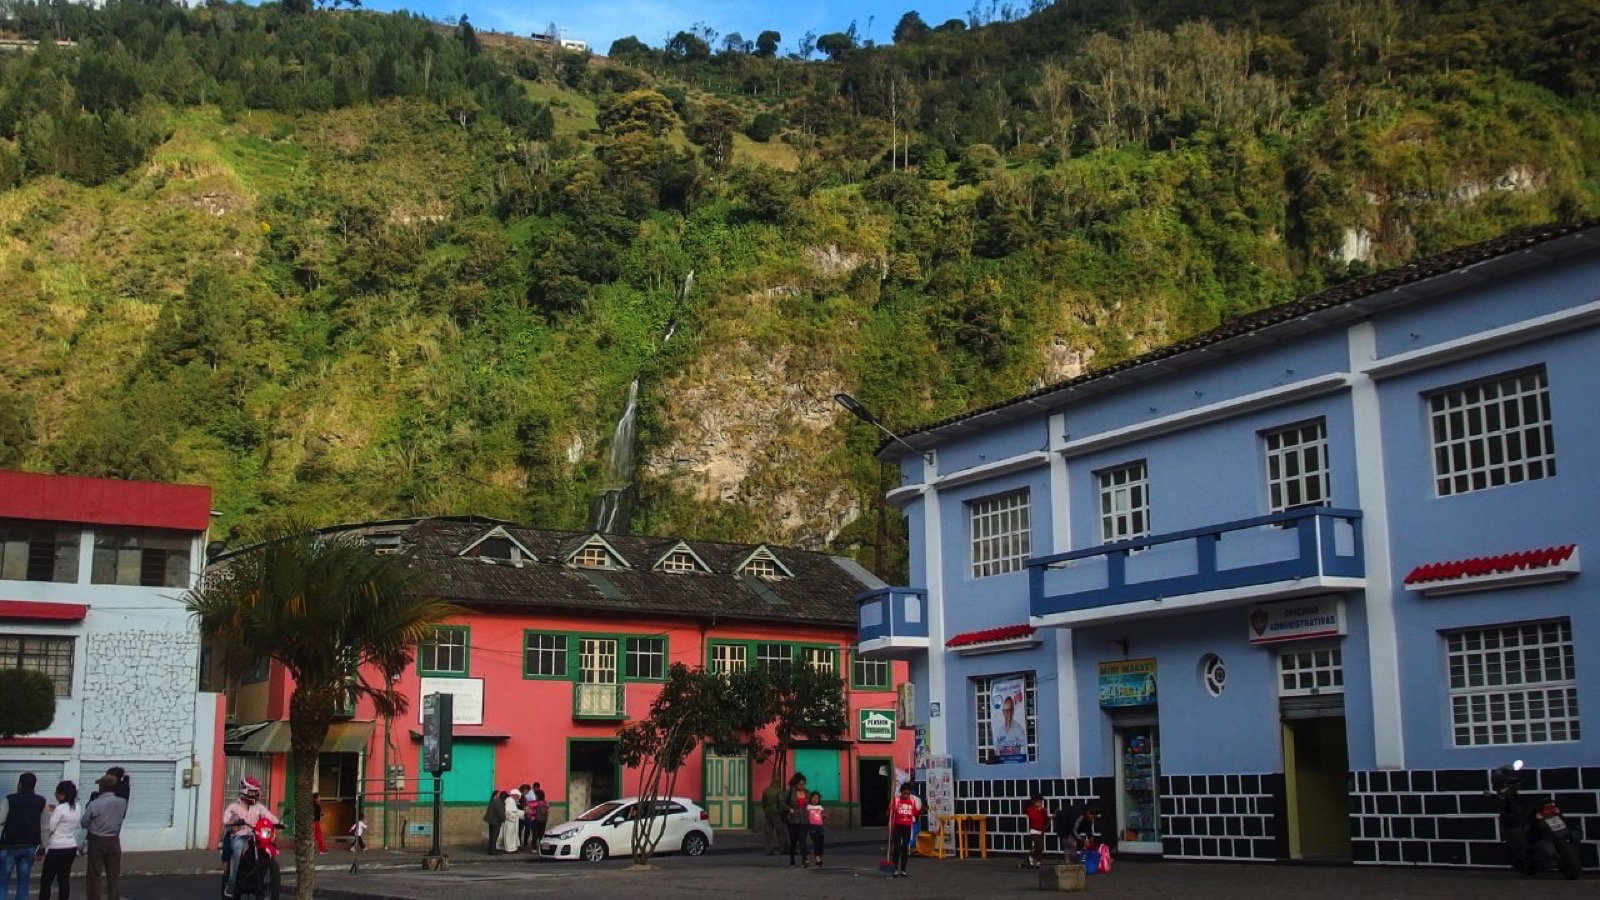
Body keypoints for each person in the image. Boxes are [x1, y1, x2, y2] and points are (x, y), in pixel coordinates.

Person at [220, 777, 279, 899]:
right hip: (240, 836)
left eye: (256, 791)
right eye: (252, 791)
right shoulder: (234, 806)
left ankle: (264, 876)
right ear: (244, 790)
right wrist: (232, 821)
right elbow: (225, 820)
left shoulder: (258, 807)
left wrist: (279, 822)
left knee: (270, 844)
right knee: (237, 848)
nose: (255, 794)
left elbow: (269, 816)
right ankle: (231, 883)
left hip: (256, 835)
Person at [0, 773, 46, 900]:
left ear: (19, 784)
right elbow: (45, 826)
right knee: (23, 883)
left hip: (9, 846)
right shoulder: (41, 801)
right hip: (30, 846)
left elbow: (0, 818)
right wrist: (42, 847)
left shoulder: (9, 799)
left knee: (3, 882)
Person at [81, 775, 127, 900]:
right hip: (114, 839)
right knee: (113, 876)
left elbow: (84, 822)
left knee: (94, 876)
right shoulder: (122, 802)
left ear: (102, 787)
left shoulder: (95, 804)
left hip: (97, 839)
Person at [39, 781, 80, 900]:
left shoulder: (60, 809)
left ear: (62, 794)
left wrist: (48, 812)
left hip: (56, 847)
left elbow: (49, 828)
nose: (55, 795)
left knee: (46, 880)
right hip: (71, 846)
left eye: (56, 792)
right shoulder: (77, 806)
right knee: (63, 879)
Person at [887, 783, 920, 879]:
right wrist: (889, 809)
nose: (906, 796)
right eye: (904, 793)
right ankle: (895, 869)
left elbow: (914, 812)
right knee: (897, 847)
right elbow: (890, 812)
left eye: (908, 794)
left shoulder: (912, 801)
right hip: (897, 826)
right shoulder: (896, 800)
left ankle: (903, 869)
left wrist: (921, 810)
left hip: (907, 827)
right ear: (901, 792)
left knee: (905, 848)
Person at [780, 774, 808, 867]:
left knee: (803, 840)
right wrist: (788, 809)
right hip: (793, 820)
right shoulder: (791, 792)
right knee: (793, 841)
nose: (802, 786)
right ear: (796, 784)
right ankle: (792, 860)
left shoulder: (807, 793)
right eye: (800, 784)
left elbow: (813, 802)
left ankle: (805, 860)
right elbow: (781, 801)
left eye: (803, 784)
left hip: (804, 820)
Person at [993, 695, 1028, 761]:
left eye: (1009, 710)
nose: (1006, 714)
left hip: (1016, 763)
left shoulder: (1018, 728)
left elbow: (1025, 746)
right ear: (1002, 712)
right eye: (1004, 711)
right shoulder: (1000, 730)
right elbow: (996, 748)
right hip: (1002, 763)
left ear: (1012, 711)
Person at [759, 775, 784, 856]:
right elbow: (780, 803)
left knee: (768, 832)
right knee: (780, 831)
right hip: (776, 812)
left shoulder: (766, 790)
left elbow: (762, 803)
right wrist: (782, 813)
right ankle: (782, 849)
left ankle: (768, 849)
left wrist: (766, 810)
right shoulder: (779, 791)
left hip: (768, 812)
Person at [1021, 793, 1048, 869]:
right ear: (1034, 802)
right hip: (1034, 830)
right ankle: (1032, 858)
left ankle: (1037, 861)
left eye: (1040, 802)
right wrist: (1040, 811)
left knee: (1040, 847)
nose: (1039, 803)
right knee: (1038, 845)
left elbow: (1045, 820)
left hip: (1041, 830)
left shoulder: (1042, 810)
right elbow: (1033, 818)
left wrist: (1045, 813)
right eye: (1038, 802)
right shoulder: (1030, 809)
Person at [805, 791, 826, 869]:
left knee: (821, 843)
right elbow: (805, 815)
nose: (815, 800)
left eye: (817, 798)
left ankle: (819, 858)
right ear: (810, 799)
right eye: (813, 798)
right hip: (812, 827)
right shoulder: (808, 807)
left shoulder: (820, 807)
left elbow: (823, 814)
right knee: (816, 842)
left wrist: (824, 816)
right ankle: (817, 859)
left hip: (820, 827)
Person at [483, 791, 505, 855]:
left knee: (492, 836)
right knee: (495, 836)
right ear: (496, 795)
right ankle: (493, 850)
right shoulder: (497, 802)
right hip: (496, 821)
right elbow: (500, 812)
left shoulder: (492, 801)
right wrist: (504, 818)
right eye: (499, 794)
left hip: (491, 820)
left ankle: (490, 849)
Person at [528, 788, 549, 854]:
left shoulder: (534, 803)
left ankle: (534, 848)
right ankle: (541, 848)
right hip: (543, 820)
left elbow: (530, 811)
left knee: (535, 835)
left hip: (535, 820)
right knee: (541, 834)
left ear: (537, 796)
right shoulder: (546, 803)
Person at [516, 784, 534, 849]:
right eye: (528, 791)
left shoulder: (524, 797)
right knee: (519, 830)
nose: (528, 792)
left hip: (525, 815)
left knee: (527, 829)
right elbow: (518, 806)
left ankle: (524, 843)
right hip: (521, 815)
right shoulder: (519, 796)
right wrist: (525, 808)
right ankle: (519, 844)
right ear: (525, 789)